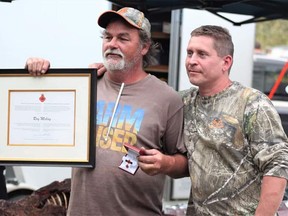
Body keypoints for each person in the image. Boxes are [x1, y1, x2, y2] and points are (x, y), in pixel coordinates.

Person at [86, 25, 288, 215]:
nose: (192, 60)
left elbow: (278, 165)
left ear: (226, 62)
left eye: (202, 54)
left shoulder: (252, 104)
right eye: (189, 53)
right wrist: (102, 74)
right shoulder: (183, 102)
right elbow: (141, 98)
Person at [25, 7, 188, 216]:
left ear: (144, 47)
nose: (112, 44)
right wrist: (37, 75)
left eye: (123, 38)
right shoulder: (85, 85)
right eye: (108, 37)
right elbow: (41, 109)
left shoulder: (167, 99)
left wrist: (166, 163)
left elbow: (185, 165)